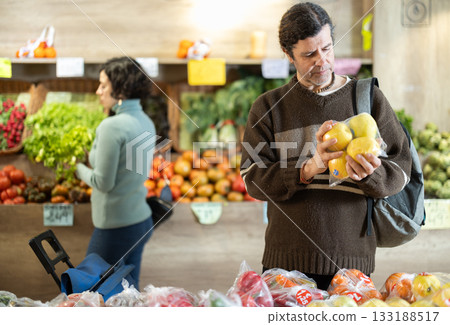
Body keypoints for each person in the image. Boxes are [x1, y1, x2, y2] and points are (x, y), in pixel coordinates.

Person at [240, 2, 412, 290]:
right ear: (288, 55)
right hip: (285, 264)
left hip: (352, 265)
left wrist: (371, 174)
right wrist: (308, 168)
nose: (322, 60)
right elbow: (252, 179)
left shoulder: (369, 99)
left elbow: (402, 167)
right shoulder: (268, 107)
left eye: (327, 48)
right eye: (309, 54)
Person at [76, 57, 156, 289]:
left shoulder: (111, 126)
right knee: (128, 294)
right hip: (140, 221)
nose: (98, 91)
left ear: (120, 88)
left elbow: (103, 182)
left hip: (115, 227)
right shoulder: (146, 121)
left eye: (103, 85)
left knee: (90, 292)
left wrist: (77, 168)